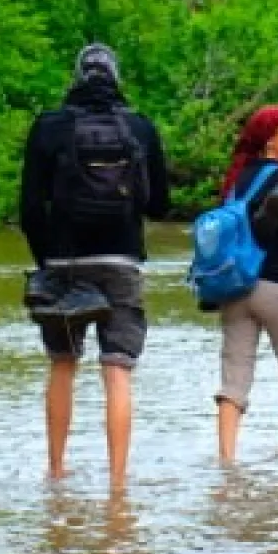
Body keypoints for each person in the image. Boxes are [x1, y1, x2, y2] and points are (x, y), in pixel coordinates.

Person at [18, 44, 170, 490]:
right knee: (117, 370)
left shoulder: (48, 126)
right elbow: (159, 204)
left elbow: (30, 208)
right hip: (121, 259)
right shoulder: (140, 127)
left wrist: (46, 262)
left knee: (62, 364)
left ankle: (56, 471)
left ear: (77, 76)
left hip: (63, 260)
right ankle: (118, 483)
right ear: (115, 77)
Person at [215, 105, 278, 463]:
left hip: (236, 287)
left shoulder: (238, 178)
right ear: (270, 140)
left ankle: (226, 459)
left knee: (234, 377)